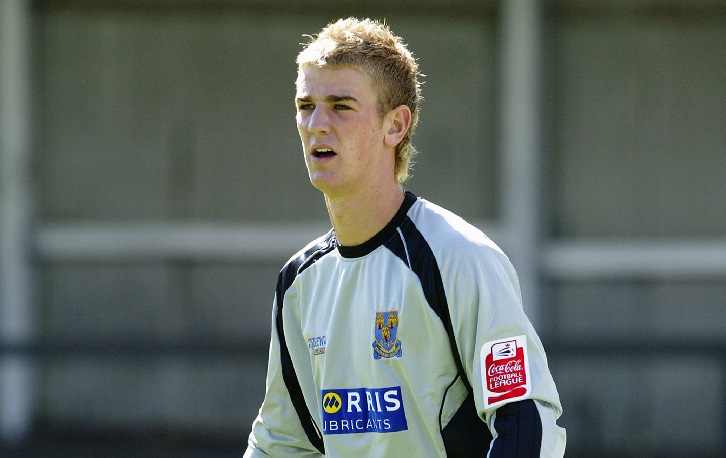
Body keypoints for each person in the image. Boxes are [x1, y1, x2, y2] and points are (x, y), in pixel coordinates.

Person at [244, 17, 566, 457]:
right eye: (305, 105)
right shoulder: (299, 285)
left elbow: (526, 423)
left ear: (394, 126)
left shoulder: (459, 258)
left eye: (341, 105)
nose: (316, 124)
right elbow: (281, 445)